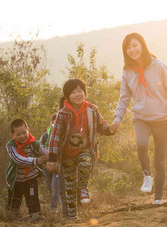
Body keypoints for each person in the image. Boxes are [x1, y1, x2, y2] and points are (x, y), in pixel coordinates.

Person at [111, 32, 167, 205]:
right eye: (128, 47)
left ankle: (158, 198)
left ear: (142, 45)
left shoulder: (159, 66)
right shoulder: (127, 72)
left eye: (135, 45)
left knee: (160, 160)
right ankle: (146, 176)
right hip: (140, 117)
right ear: (125, 51)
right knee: (141, 144)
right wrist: (117, 118)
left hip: (162, 119)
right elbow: (124, 98)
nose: (132, 50)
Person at [46, 78, 115, 219]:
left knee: (85, 164)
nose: (77, 94)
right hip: (67, 155)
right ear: (67, 97)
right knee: (70, 187)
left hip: (85, 150)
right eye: (73, 92)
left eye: (80, 91)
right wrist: (52, 158)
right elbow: (55, 136)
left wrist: (110, 129)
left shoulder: (92, 109)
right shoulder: (63, 114)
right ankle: (72, 217)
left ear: (85, 92)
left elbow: (102, 126)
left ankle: (84, 188)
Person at [5, 119, 48, 222]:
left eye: (24, 133)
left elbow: (47, 154)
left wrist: (51, 160)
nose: (22, 136)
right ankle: (12, 219)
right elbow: (18, 160)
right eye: (18, 134)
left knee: (33, 199)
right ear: (13, 135)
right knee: (14, 203)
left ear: (28, 130)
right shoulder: (10, 146)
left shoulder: (35, 144)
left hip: (31, 178)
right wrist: (36, 161)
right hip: (16, 180)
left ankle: (35, 217)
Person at [39, 113, 67, 215]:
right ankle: (57, 202)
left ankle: (53, 209)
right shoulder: (45, 135)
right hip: (47, 166)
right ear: (50, 123)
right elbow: (39, 147)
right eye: (53, 122)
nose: (55, 125)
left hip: (58, 166)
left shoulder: (61, 136)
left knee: (55, 186)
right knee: (49, 186)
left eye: (57, 123)